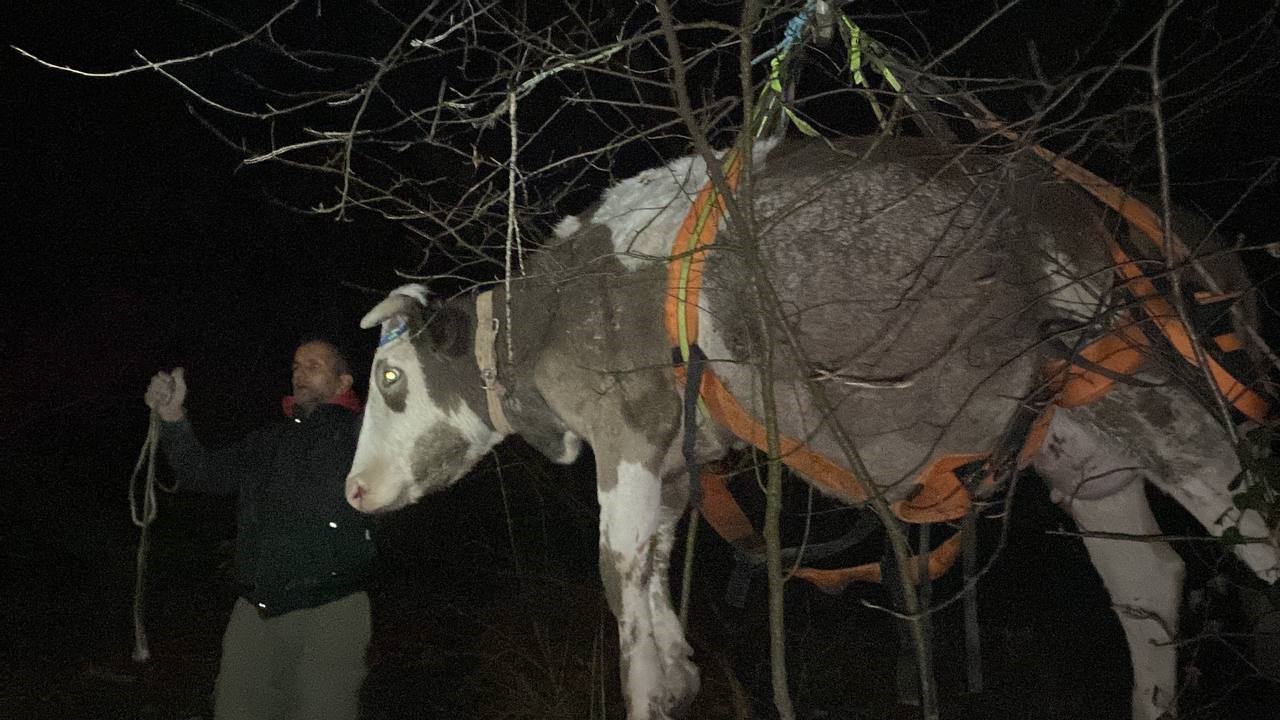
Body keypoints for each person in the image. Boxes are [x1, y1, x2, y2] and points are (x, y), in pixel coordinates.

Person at [144, 338, 376, 720]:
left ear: (343, 382)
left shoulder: (365, 436)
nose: (300, 373)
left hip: (332, 609)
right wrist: (172, 417)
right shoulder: (269, 441)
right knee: (236, 710)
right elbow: (203, 472)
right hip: (256, 609)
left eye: (314, 366)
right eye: (296, 366)